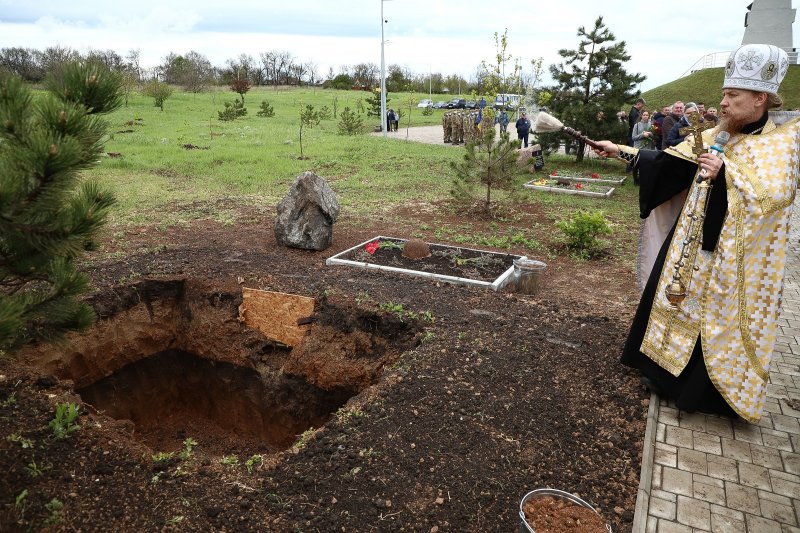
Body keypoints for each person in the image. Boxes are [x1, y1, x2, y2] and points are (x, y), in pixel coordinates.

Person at [591, 43, 798, 423]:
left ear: (760, 98)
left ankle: (702, 394)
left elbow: (775, 197)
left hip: (732, 261)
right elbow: (669, 163)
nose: (722, 103)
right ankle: (660, 373)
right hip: (689, 246)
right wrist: (618, 150)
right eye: (723, 93)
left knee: (712, 321)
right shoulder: (720, 133)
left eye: (732, 95)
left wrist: (727, 177)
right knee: (668, 297)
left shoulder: (779, 146)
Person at [631, 110, 653, 185]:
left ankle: (643, 179)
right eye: (644, 115)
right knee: (636, 164)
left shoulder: (652, 125)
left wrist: (651, 134)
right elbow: (633, 137)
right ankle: (635, 179)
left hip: (648, 148)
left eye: (647, 115)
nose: (645, 116)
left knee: (645, 165)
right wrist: (643, 135)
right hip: (638, 148)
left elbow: (655, 136)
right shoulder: (637, 125)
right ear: (641, 116)